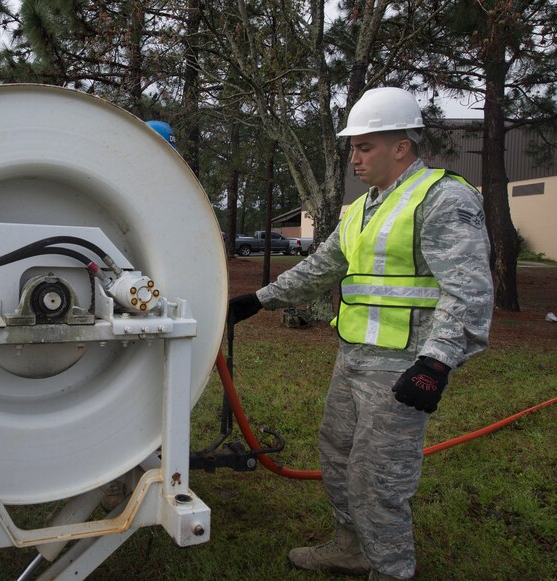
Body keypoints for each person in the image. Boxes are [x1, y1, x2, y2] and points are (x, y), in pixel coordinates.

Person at [228, 87, 493, 580]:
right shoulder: (362, 208)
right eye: (353, 147)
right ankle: (352, 548)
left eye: (364, 146)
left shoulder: (443, 198)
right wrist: (257, 301)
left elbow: (470, 292)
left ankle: (391, 570)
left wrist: (436, 363)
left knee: (379, 479)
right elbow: (322, 267)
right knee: (338, 456)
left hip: (405, 366)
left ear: (402, 146)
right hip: (353, 359)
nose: (354, 157)